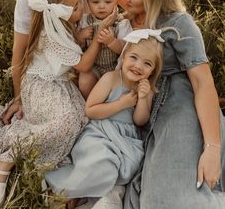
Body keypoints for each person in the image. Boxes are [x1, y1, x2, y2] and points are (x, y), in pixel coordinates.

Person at [0, 0, 106, 208]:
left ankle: (52, 163)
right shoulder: (50, 35)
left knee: (79, 119)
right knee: (66, 121)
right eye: (75, 8)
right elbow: (82, 65)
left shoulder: (59, 28)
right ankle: (5, 160)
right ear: (58, 13)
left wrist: (79, 38)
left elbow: (67, 48)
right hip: (42, 85)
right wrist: (97, 42)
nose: (81, 9)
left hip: (59, 85)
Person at [122, 0, 225, 209]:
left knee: (166, 199)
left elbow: (202, 83)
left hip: (180, 103)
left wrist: (212, 148)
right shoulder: (128, 12)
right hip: (145, 106)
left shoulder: (178, 24)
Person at [45, 29, 164, 208]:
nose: (138, 66)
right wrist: (122, 104)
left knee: (121, 168)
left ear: (153, 70)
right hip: (100, 132)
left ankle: (84, 196)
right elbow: (90, 110)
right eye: (134, 58)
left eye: (147, 63)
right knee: (101, 163)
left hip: (125, 139)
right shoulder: (111, 78)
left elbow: (140, 121)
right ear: (123, 57)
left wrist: (142, 99)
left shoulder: (146, 89)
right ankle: (69, 191)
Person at [77, 0, 132, 99]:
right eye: (95, 2)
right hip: (94, 66)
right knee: (84, 81)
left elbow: (126, 49)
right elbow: (77, 46)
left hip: (115, 67)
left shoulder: (121, 23)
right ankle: (90, 103)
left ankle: (107, 104)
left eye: (108, 2)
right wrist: (81, 36)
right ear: (88, 2)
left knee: (118, 90)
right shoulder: (85, 21)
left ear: (117, 2)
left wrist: (112, 41)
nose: (101, 6)